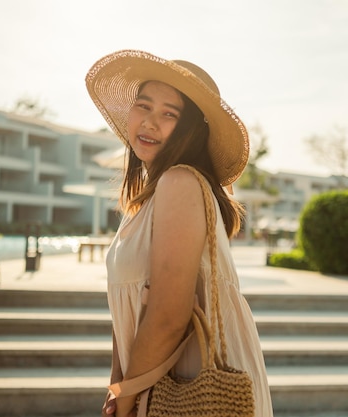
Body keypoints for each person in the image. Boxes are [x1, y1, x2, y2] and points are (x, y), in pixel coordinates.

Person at [86, 50, 273, 417]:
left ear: (191, 129)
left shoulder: (180, 182)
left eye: (169, 113)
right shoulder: (143, 202)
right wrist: (117, 382)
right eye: (143, 106)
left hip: (189, 383)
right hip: (148, 379)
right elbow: (128, 306)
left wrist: (125, 395)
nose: (150, 122)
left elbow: (169, 314)